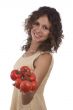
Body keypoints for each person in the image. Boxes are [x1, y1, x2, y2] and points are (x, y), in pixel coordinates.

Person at [10, 6, 64, 110]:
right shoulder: (27, 53)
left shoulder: (44, 57)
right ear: (31, 23)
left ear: (51, 34)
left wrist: (24, 84)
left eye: (45, 28)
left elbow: (27, 99)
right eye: (37, 23)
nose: (38, 30)